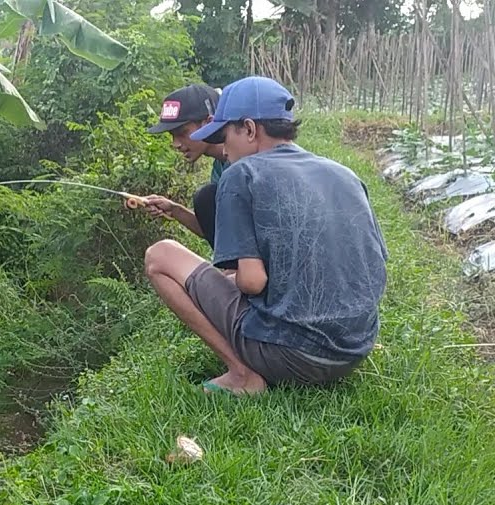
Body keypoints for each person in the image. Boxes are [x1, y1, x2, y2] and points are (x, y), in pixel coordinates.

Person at [142, 75, 388, 395]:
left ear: (249, 129)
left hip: (291, 357)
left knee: (160, 255)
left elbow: (253, 282)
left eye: (225, 135)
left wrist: (228, 283)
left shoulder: (240, 175)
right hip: (354, 350)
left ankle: (243, 374)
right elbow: (374, 265)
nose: (225, 150)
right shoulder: (345, 174)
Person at [137, 83, 233, 251]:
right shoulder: (219, 167)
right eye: (172, 135)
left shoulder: (243, 165)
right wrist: (174, 210)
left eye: (182, 133)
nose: (176, 144)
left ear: (208, 123)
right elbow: (214, 231)